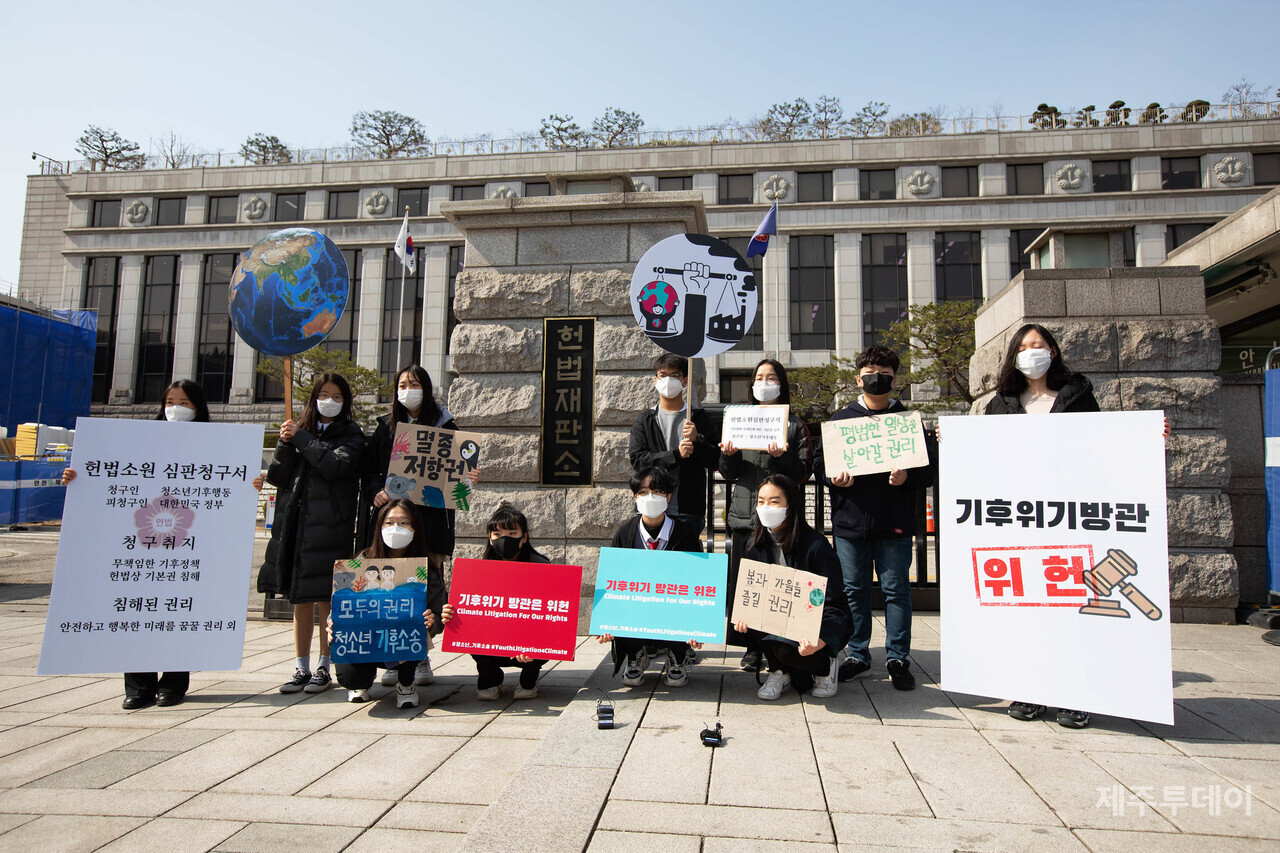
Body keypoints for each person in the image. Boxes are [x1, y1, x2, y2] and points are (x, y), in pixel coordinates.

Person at [61, 379, 212, 710]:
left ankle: (173, 682)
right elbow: (106, 473)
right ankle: (139, 684)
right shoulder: (138, 441)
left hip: (186, 542)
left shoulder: (216, 445)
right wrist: (78, 477)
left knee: (177, 608)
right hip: (142, 539)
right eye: (170, 401)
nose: (175, 408)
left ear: (198, 408)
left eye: (184, 403)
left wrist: (251, 482)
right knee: (138, 605)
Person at [813, 345, 936, 692]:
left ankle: (898, 657)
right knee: (853, 591)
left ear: (894, 379)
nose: (876, 377)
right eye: (869, 371)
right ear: (858, 378)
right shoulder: (840, 420)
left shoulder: (908, 422)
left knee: (897, 591)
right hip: (851, 523)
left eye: (883, 372)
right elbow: (820, 465)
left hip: (894, 523)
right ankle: (858, 653)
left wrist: (906, 478)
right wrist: (833, 478)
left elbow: (928, 473)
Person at [361, 364, 478, 689]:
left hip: (431, 525)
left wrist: (468, 477)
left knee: (427, 593)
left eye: (414, 384)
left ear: (426, 389)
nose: (407, 390)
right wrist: (376, 493)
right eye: (402, 384)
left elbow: (461, 468)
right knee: (393, 591)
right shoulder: (386, 428)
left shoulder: (446, 424)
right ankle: (392, 657)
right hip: (394, 524)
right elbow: (369, 471)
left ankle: (420, 656)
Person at [255, 373, 365, 695]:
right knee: (299, 599)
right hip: (297, 528)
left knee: (327, 600)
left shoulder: (352, 435)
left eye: (336, 396)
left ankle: (324, 665)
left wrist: (301, 438)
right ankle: (300, 666)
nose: (328, 401)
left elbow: (334, 466)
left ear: (345, 402)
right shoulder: (299, 430)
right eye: (324, 394)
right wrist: (285, 442)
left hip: (331, 529)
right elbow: (279, 474)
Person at [718, 357, 812, 672]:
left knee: (777, 586)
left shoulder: (795, 425)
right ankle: (751, 648)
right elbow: (728, 473)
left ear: (782, 384)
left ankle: (779, 646)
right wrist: (727, 454)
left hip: (781, 521)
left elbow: (803, 471)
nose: (764, 382)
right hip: (746, 517)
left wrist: (782, 457)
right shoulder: (739, 419)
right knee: (746, 587)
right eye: (759, 376)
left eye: (771, 376)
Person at [733, 474, 852, 700]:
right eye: (761, 501)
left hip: (812, 620)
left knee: (791, 650)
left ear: (791, 505)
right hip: (777, 618)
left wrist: (821, 639)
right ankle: (779, 671)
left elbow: (835, 603)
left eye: (774, 501)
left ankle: (826, 665)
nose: (765, 507)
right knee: (750, 627)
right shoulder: (753, 544)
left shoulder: (816, 546)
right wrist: (745, 614)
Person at [596, 466, 704, 688]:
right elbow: (611, 581)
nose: (650, 497)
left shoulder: (685, 534)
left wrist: (698, 625)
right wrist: (605, 622)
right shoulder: (625, 534)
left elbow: (699, 582)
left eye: (657, 491)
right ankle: (635, 654)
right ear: (635, 497)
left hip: (673, 607)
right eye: (643, 492)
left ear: (669, 496)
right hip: (637, 610)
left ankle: (677, 656)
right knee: (629, 598)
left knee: (679, 598)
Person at [330, 499, 444, 708]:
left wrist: (432, 621)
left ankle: (406, 682)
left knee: (411, 626)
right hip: (365, 639)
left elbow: (438, 615)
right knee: (351, 678)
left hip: (401, 641)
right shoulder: (361, 561)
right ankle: (362, 682)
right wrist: (333, 625)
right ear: (379, 527)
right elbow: (341, 604)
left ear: (415, 528)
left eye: (404, 523)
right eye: (389, 523)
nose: (396, 529)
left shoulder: (426, 567)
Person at [442, 502, 550, 700]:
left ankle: (528, 680)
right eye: (498, 534)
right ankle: (489, 679)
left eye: (512, 533)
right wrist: (451, 613)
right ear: (490, 539)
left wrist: (533, 642)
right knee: (472, 636)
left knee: (544, 644)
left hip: (527, 642)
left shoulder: (542, 567)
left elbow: (551, 616)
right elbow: (469, 613)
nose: (504, 539)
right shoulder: (478, 571)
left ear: (524, 537)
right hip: (493, 642)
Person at [628, 354, 719, 537]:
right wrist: (675, 455)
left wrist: (698, 440)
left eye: (675, 375)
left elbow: (717, 460)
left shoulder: (699, 418)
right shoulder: (646, 419)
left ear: (685, 381)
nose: (668, 380)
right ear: (656, 380)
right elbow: (638, 460)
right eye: (663, 375)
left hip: (688, 510)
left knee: (685, 563)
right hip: (652, 508)